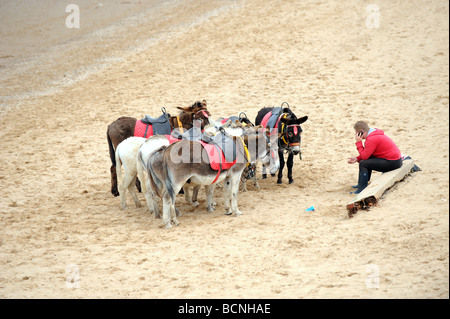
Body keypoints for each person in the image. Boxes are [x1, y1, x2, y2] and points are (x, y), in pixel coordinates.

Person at [347, 121, 402, 194]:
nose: (355, 135)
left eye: (356, 133)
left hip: (393, 162)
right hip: (395, 160)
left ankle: (361, 188)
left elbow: (364, 156)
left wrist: (358, 142)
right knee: (366, 160)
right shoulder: (373, 134)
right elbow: (369, 153)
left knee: (363, 163)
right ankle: (362, 184)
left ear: (361, 132)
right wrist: (357, 158)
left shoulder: (372, 139)